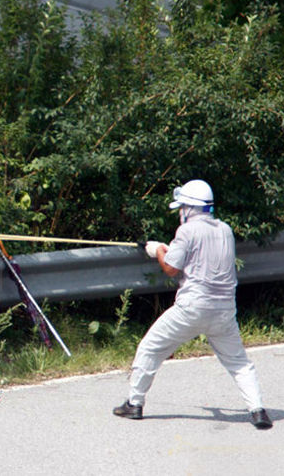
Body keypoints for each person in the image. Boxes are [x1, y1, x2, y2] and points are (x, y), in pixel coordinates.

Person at [113, 180, 273, 430]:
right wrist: (167, 250)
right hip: (224, 310)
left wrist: (156, 250)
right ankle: (258, 410)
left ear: (189, 208)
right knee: (239, 362)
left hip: (192, 307)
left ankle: (134, 404)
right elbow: (195, 257)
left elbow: (170, 268)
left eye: (181, 208)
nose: (179, 212)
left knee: (149, 348)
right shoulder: (225, 230)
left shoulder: (186, 231)